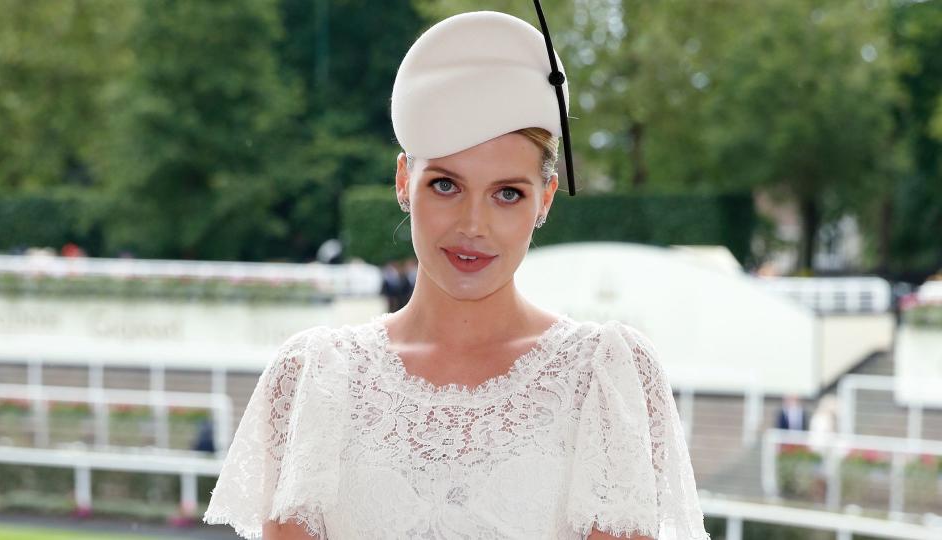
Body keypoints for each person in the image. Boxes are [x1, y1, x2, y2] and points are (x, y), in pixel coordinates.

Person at [204, 7, 708, 540]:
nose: (474, 225)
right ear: (403, 179)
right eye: (446, 185)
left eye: (508, 194)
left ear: (546, 200)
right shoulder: (315, 378)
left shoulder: (604, 378)